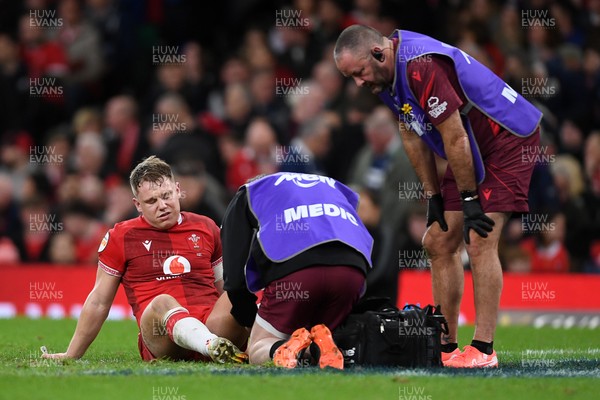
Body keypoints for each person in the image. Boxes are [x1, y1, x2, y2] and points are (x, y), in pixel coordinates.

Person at [334, 25, 543, 368]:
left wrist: (469, 200)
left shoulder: (421, 65)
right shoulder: (386, 79)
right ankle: (444, 347)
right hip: (472, 144)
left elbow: (455, 137)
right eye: (351, 77)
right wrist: (432, 195)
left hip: (507, 139)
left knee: (479, 237)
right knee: (438, 241)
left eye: (358, 73)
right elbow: (412, 133)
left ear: (378, 53)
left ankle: (484, 349)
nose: (358, 83)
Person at [42, 156, 248, 363]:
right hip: (162, 336)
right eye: (151, 201)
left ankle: (264, 348)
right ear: (137, 204)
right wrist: (71, 354)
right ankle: (210, 345)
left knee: (239, 293)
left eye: (166, 195)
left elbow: (226, 289)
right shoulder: (120, 236)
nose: (162, 205)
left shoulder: (206, 227)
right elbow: (98, 301)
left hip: (211, 324)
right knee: (162, 302)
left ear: (177, 190)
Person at [221, 172, 374, 369]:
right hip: (353, 271)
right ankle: (319, 349)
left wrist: (250, 321)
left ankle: (298, 352)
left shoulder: (250, 192)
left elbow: (234, 280)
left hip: (297, 273)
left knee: (258, 348)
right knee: (320, 333)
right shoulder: (333, 185)